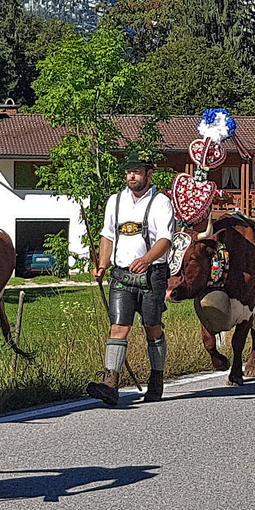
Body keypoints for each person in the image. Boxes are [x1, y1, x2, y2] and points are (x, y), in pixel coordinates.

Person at [88, 152, 175, 406]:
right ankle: (110, 383)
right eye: (129, 172)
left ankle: (156, 379)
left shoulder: (161, 203)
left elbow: (165, 240)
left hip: (152, 275)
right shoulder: (115, 202)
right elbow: (108, 236)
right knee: (119, 327)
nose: (132, 176)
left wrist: (146, 259)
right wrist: (102, 264)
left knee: (152, 327)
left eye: (137, 171)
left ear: (149, 173)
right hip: (122, 276)